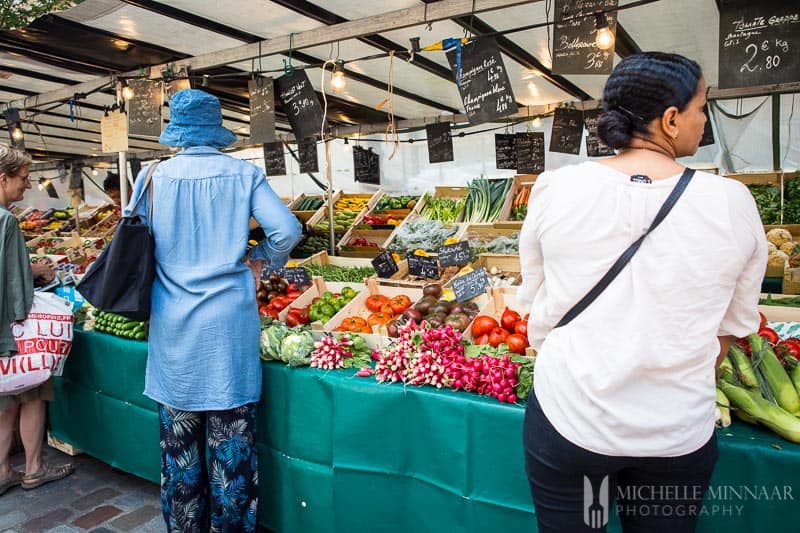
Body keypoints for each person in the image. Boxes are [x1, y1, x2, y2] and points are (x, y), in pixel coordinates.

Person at [518, 52, 766, 532]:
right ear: (671, 120)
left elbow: (536, 306)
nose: (703, 120)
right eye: (701, 107)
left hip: (573, 420)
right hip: (674, 434)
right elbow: (733, 328)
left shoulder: (556, 189)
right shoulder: (731, 203)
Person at [123, 90, 301, 532]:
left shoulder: (151, 177)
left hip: (174, 332)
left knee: (179, 457)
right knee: (232, 454)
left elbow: (132, 244)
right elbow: (287, 229)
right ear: (216, 129)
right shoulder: (243, 174)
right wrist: (261, 259)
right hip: (229, 331)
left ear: (177, 132)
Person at [0, 144, 74, 496]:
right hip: (13, 330)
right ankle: (33, 468)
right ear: (3, 179)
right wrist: (39, 272)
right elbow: (13, 280)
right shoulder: (7, 221)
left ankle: (1, 471)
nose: (26, 186)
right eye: (23, 179)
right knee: (31, 396)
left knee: (3, 401)